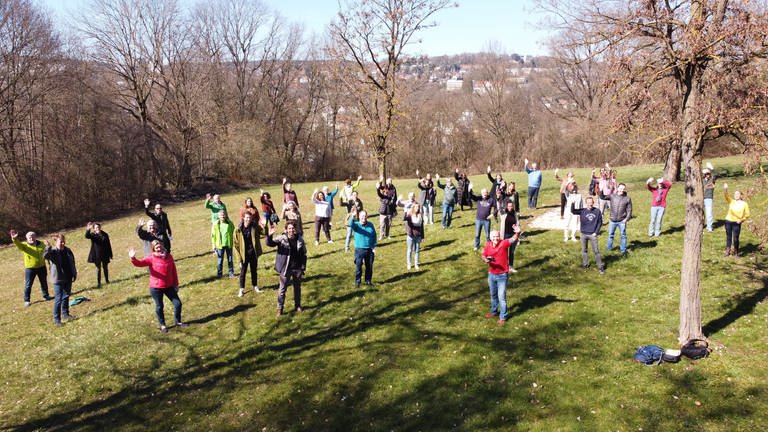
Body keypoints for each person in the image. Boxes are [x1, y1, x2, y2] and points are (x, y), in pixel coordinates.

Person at [129, 240, 186, 333]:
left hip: (169, 286)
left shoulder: (169, 257)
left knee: (178, 303)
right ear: (153, 249)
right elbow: (139, 263)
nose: (159, 249)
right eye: (156, 248)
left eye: (160, 247)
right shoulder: (151, 258)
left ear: (162, 246)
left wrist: (176, 284)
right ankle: (163, 325)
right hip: (156, 288)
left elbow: (173, 271)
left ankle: (178, 321)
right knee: (159, 306)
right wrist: (133, 258)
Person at [265, 221, 307, 316]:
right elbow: (269, 243)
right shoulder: (282, 239)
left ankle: (297, 305)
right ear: (286, 229)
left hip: (297, 269)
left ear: (295, 229)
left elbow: (304, 253)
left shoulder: (300, 239)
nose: (291, 230)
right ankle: (280, 309)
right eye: (289, 228)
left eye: (293, 228)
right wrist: (269, 235)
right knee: (282, 290)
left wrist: (303, 267)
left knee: (297, 288)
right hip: (286, 269)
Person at [481, 227, 521, 325]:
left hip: (502, 275)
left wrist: (518, 233)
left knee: (501, 297)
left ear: (500, 236)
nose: (496, 238)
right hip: (491, 275)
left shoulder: (503, 243)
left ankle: (503, 316)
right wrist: (485, 259)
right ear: (490, 237)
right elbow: (483, 255)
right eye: (494, 236)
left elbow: (513, 239)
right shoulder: (487, 245)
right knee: (493, 295)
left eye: (497, 236)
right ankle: (494, 312)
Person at [10, 229, 51, 307]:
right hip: (30, 269)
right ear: (27, 238)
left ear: (35, 237)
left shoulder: (41, 244)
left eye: (32, 237)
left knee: (44, 282)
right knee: (28, 285)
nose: (31, 238)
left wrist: (48, 247)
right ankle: (27, 300)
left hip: (42, 267)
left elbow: (47, 253)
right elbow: (17, 244)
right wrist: (14, 238)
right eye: (29, 237)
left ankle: (46, 295)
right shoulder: (24, 245)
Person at [43, 234, 77, 326]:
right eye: (60, 241)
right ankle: (56, 319)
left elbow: (72, 262)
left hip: (68, 276)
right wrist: (48, 247)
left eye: (63, 241)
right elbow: (45, 256)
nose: (62, 243)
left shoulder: (68, 250)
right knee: (58, 298)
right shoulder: (53, 252)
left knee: (66, 296)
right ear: (56, 242)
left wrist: (74, 273)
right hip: (58, 278)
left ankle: (65, 314)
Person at [233, 212, 264, 297]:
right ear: (243, 218)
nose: (248, 219)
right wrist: (239, 259)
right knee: (243, 272)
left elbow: (264, 232)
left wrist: (264, 225)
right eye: (246, 217)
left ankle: (255, 286)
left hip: (253, 253)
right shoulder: (238, 229)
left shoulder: (254, 226)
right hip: (244, 255)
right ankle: (241, 289)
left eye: (250, 218)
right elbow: (235, 246)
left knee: (254, 271)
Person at [571, 196, 604, 273]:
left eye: (591, 202)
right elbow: (573, 211)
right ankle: (585, 264)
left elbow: (600, 222)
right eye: (588, 203)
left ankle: (600, 267)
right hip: (583, 234)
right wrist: (572, 202)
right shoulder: (582, 211)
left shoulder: (597, 211)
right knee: (584, 250)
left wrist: (596, 232)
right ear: (586, 203)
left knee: (596, 251)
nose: (590, 204)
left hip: (593, 235)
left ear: (593, 202)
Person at [349, 209, 377, 288]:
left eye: (365, 216)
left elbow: (374, 235)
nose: (363, 218)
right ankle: (357, 281)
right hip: (359, 250)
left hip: (369, 249)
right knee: (358, 266)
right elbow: (350, 224)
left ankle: (368, 280)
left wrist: (374, 246)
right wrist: (352, 216)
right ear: (359, 217)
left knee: (369, 266)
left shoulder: (370, 224)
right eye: (362, 216)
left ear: (367, 216)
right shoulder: (357, 225)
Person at [723, 183, 750, 257]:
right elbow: (726, 195)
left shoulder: (744, 204)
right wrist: (725, 188)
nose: (736, 195)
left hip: (737, 222)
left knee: (736, 238)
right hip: (728, 221)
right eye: (735, 194)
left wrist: (741, 220)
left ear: (741, 196)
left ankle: (736, 252)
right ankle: (727, 251)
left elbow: (747, 214)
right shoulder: (731, 201)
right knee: (728, 236)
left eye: (738, 194)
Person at [606, 183, 633, 257]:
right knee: (610, 235)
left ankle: (623, 250)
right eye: (620, 188)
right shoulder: (612, 196)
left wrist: (626, 219)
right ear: (617, 188)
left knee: (623, 236)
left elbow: (629, 210)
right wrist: (601, 189)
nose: (622, 190)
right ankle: (609, 249)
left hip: (622, 221)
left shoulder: (627, 198)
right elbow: (602, 197)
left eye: (623, 188)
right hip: (612, 220)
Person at [85, 222, 113, 287]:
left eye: (99, 227)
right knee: (98, 268)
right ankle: (99, 283)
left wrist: (110, 254)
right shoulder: (93, 235)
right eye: (96, 227)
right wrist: (88, 229)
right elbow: (87, 236)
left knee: (105, 268)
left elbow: (108, 245)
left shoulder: (105, 234)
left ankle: (107, 280)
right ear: (94, 229)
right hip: (96, 255)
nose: (98, 228)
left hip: (105, 254)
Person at [211, 210, 235, 278]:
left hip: (228, 244)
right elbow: (213, 235)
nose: (223, 216)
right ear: (218, 216)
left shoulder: (230, 223)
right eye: (221, 215)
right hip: (219, 245)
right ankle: (219, 274)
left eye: (224, 215)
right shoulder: (215, 224)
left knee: (230, 259)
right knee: (220, 260)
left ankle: (231, 273)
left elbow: (234, 231)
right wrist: (213, 245)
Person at [499, 200, 520, 273]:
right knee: (504, 252)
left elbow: (517, 223)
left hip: (513, 235)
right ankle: (503, 267)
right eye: (509, 206)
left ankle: (510, 266)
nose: (510, 207)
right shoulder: (503, 213)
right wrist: (498, 197)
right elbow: (498, 205)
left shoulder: (514, 213)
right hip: (505, 235)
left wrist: (517, 228)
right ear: (506, 206)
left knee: (511, 252)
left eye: (511, 206)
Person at [404, 203, 425, 270]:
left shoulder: (420, 216)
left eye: (418, 207)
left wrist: (422, 236)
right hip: (410, 236)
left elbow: (422, 227)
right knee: (409, 250)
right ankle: (409, 264)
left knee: (417, 250)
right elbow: (404, 218)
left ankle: (416, 264)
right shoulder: (410, 216)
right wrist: (405, 211)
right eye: (416, 207)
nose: (417, 208)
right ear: (413, 208)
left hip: (418, 235)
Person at [703, 162, 716, 232]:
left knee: (709, 213)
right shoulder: (701, 180)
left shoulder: (712, 180)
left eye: (709, 173)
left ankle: (709, 227)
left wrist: (712, 168)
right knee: (700, 213)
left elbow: (715, 174)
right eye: (707, 174)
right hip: (701, 198)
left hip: (708, 198)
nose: (708, 175)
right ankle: (701, 225)